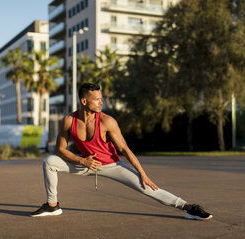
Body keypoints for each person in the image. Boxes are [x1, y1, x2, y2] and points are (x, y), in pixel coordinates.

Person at [31, 83, 212, 220]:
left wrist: (143, 174)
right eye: (97, 99)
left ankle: (188, 207)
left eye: (101, 98)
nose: (101, 102)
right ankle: (53, 206)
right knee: (49, 161)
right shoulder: (69, 120)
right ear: (84, 101)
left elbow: (125, 149)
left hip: (111, 165)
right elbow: (60, 150)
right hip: (86, 163)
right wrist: (82, 161)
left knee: (146, 187)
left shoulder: (107, 121)